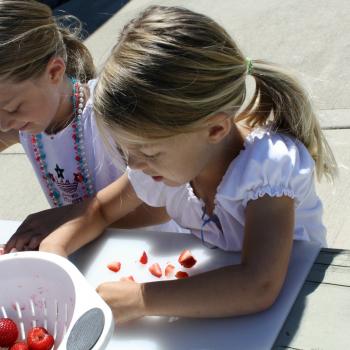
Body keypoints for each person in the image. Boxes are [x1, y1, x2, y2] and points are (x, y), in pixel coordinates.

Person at [24, 5, 338, 323]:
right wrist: (56, 251)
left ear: (215, 129)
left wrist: (140, 299)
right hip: (232, 314)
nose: (132, 163)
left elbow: (259, 284)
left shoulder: (266, 169)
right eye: (126, 149)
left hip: (308, 303)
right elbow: (101, 210)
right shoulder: (166, 167)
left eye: (148, 152)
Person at [1, 0, 181, 253]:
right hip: (86, 253)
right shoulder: (22, 124)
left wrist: (71, 220)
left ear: (53, 72)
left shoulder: (112, 115)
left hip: (152, 256)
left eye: (13, 107)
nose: (4, 122)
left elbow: (162, 208)